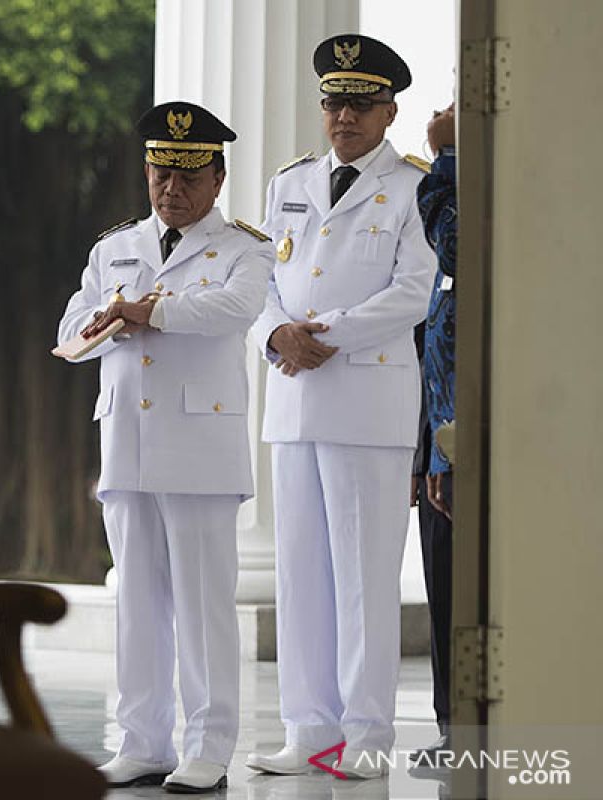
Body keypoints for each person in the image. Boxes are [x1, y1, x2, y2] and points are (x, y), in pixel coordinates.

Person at [57, 101, 274, 793]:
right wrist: (108, 323)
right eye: (159, 174)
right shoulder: (114, 245)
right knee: (138, 604)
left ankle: (207, 747)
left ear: (217, 177)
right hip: (127, 443)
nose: (170, 190)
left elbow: (235, 310)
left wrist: (150, 310)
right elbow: (71, 328)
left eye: (186, 176)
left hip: (200, 450)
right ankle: (142, 740)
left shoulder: (246, 247)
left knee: (204, 606)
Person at [244, 34, 436, 780]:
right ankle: (309, 729)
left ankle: (366, 734)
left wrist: (325, 336)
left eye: (360, 104)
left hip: (367, 398)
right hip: (294, 400)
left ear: (389, 112)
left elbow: (413, 289)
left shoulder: (415, 185)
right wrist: (275, 337)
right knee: (299, 574)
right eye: (333, 102)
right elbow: (260, 280)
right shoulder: (287, 183)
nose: (344, 116)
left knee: (362, 575)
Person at [410, 102, 457, 766]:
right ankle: (455, 726)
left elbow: (454, 244)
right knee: (444, 578)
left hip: (478, 435)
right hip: (443, 434)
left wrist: (446, 156)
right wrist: (426, 452)